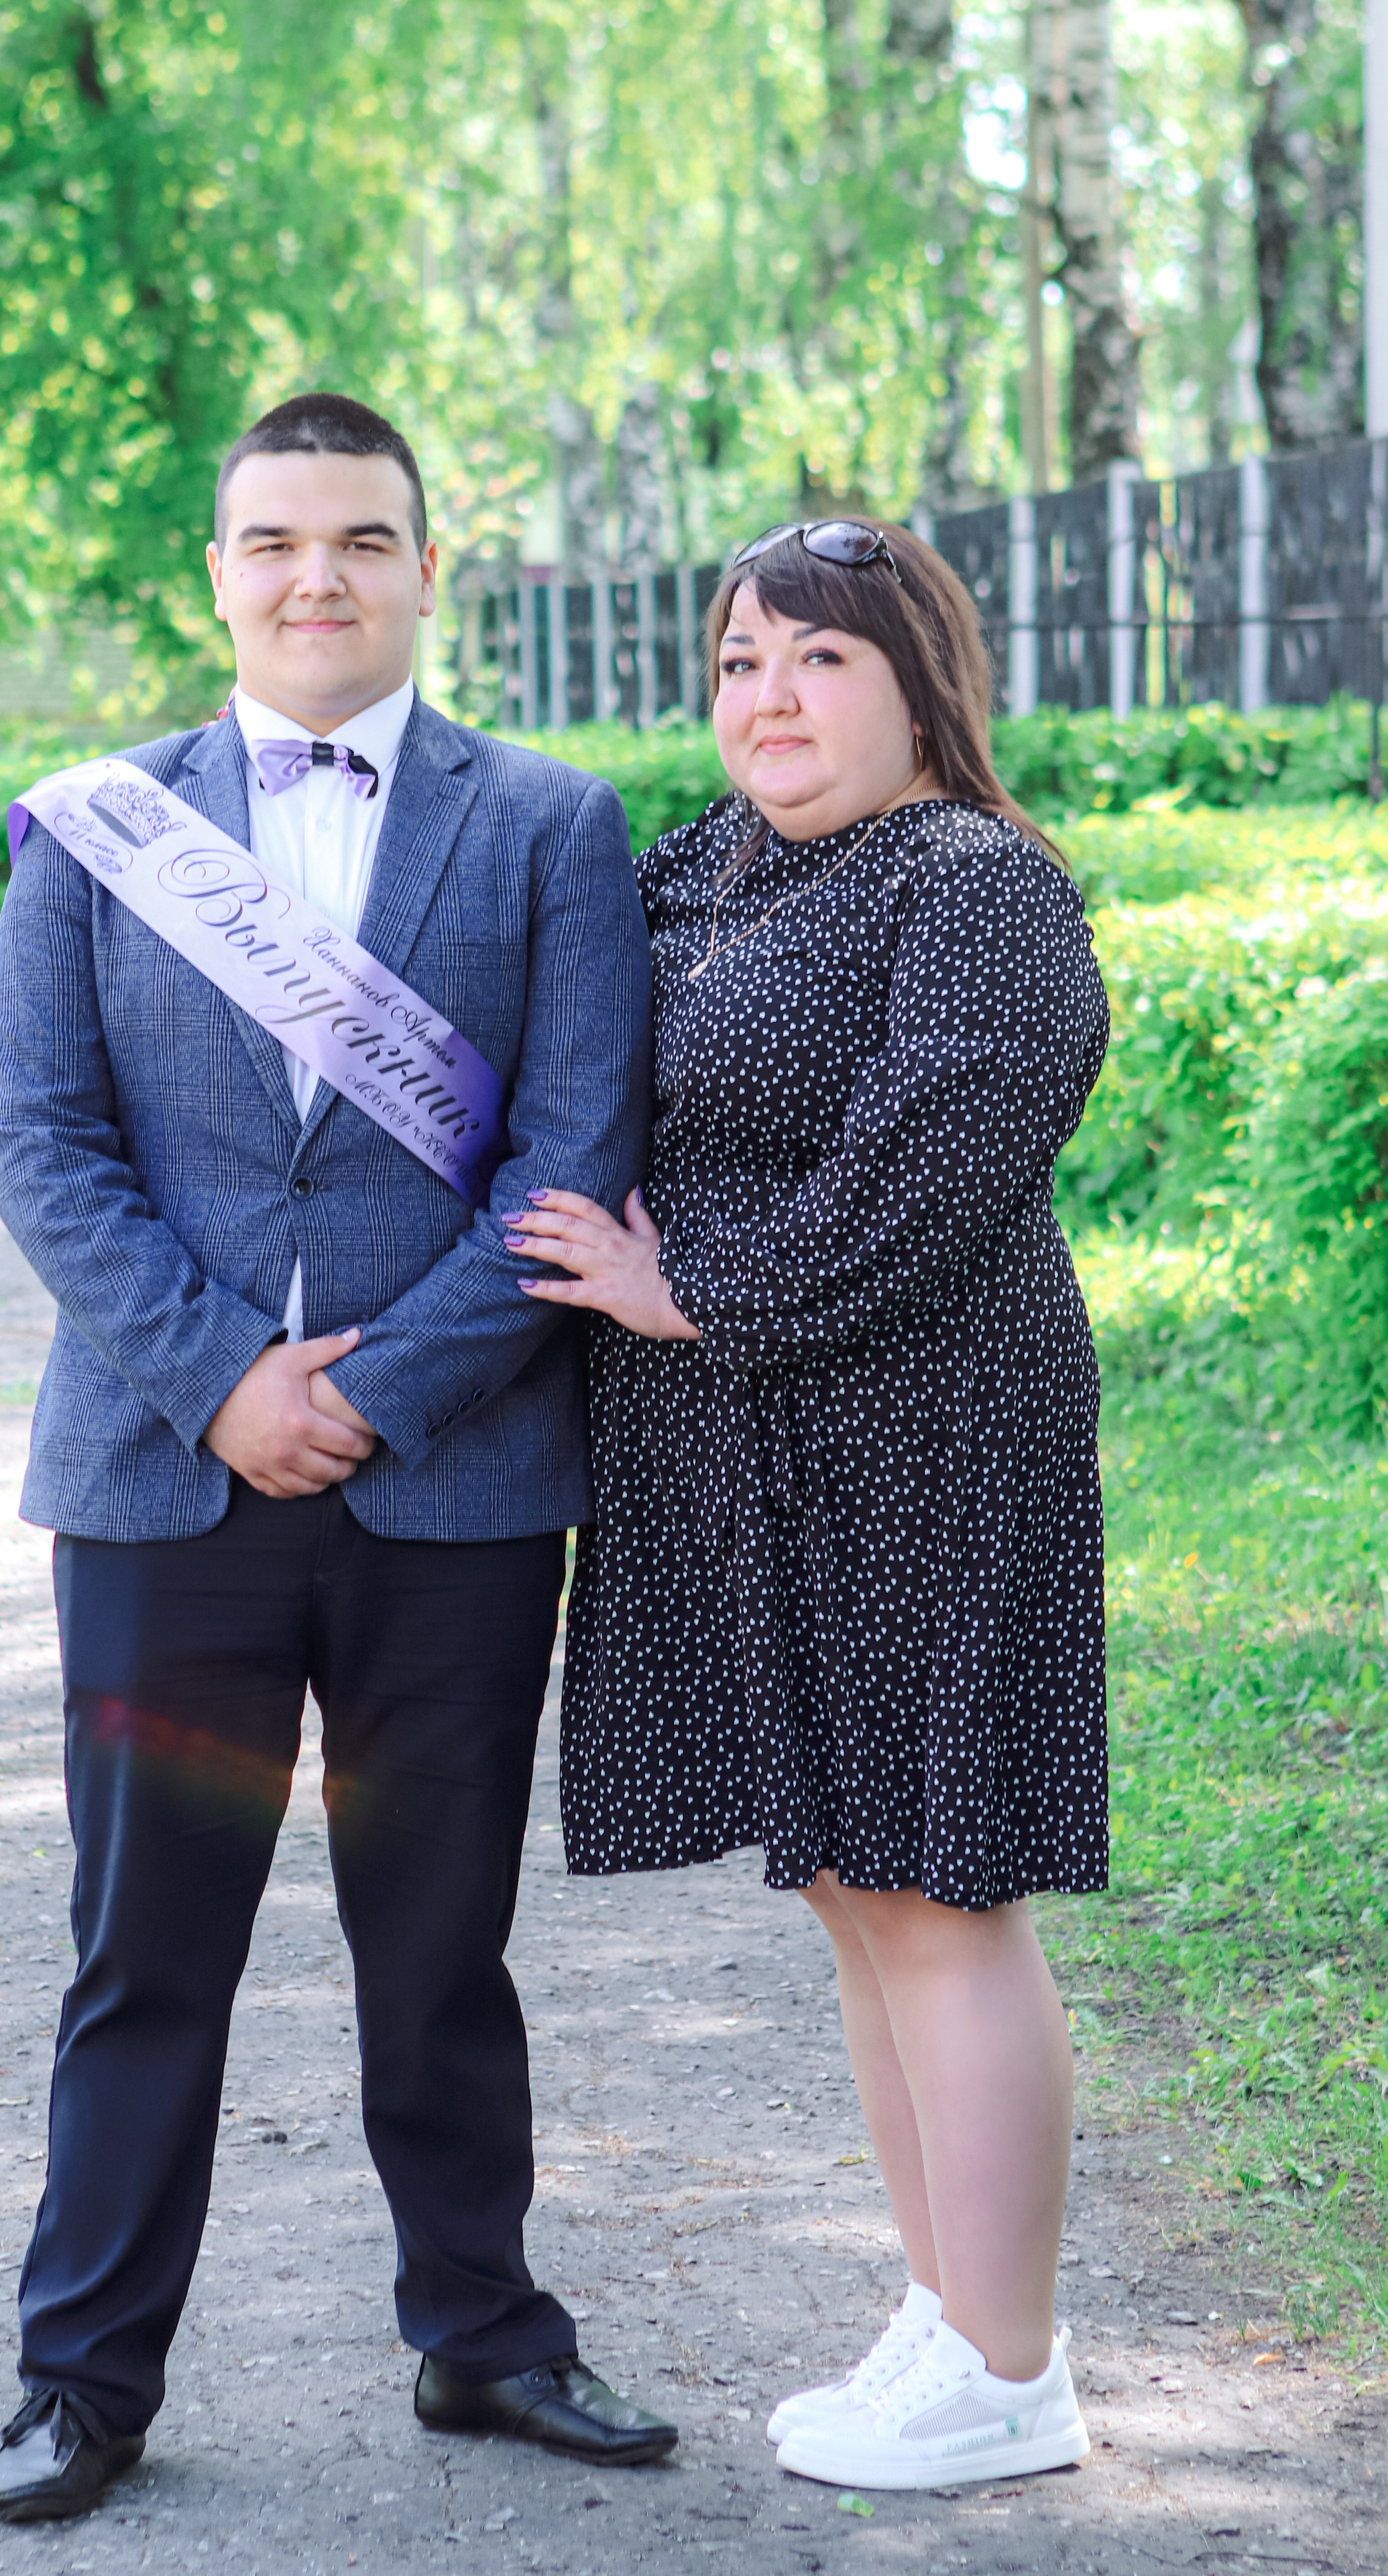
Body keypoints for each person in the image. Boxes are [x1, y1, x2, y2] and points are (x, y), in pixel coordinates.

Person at [0, 392, 673, 2524]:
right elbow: (44, 1146)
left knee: (439, 1939)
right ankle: (83, 2379)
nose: (316, 579)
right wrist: (228, 1382)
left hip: (449, 1496)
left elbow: (574, 1157)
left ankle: (483, 2334)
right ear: (217, 571)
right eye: (274, 541)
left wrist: (372, 1391)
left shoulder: (552, 823)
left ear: (428, 566)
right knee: (141, 1949)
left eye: (362, 540)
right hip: (164, 1483)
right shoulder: (101, 825)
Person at [504, 517, 1109, 2492]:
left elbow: (945, 1147)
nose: (769, 697)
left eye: (821, 661)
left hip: (930, 1433)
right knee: (854, 1892)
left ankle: (1014, 2363)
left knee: (945, 1891)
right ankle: (948, 2308)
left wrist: (698, 1285)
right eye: (741, 659)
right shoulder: (711, 869)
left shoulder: (976, 883)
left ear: (922, 680)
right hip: (745, 1458)